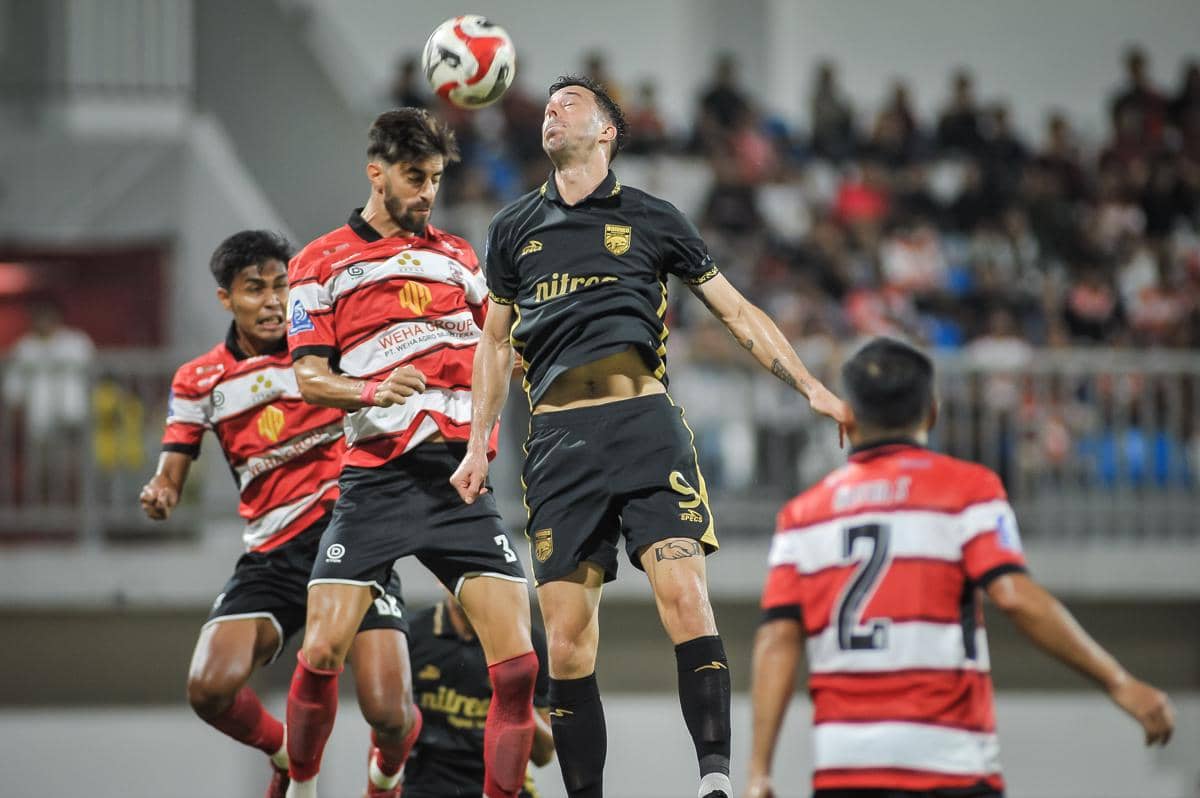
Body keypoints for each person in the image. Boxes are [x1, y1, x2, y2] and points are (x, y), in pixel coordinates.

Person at [450, 75, 852, 798]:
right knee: (567, 643)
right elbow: (492, 343)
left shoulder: (653, 218)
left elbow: (736, 311)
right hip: (559, 445)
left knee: (685, 600)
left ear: (606, 131)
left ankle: (716, 781)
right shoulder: (513, 228)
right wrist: (479, 443)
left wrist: (810, 385)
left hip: (644, 428)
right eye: (547, 105)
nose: (552, 111)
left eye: (570, 103)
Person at [744, 337, 1175, 798]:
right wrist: (1119, 682)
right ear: (932, 411)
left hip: (846, 767)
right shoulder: (967, 490)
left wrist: (759, 771)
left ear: (847, 414)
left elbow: (777, 639)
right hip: (949, 761)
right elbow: (1013, 595)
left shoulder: (803, 515)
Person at [284, 108, 537, 798]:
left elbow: (499, 346)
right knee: (321, 650)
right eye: (414, 176)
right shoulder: (318, 262)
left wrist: (486, 430)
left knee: (517, 669)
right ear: (377, 172)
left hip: (461, 479)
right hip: (378, 480)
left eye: (435, 178)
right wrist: (369, 389)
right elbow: (307, 377)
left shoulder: (459, 256)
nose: (427, 191)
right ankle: (302, 785)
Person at [138, 230, 409, 798]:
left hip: (347, 539)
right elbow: (174, 465)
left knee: (390, 713)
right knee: (208, 688)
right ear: (225, 299)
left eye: (282, 286)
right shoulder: (198, 379)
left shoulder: (324, 352)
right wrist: (162, 490)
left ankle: (385, 775)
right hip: (270, 555)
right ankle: (287, 753)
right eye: (254, 289)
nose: (272, 301)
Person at [405, 593, 555, 797]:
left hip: (502, 782)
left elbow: (544, 755)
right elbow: (389, 727)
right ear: (440, 579)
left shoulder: (524, 642)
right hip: (426, 784)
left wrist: (514, 698)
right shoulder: (412, 633)